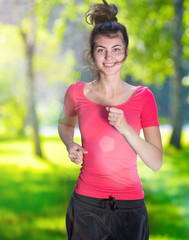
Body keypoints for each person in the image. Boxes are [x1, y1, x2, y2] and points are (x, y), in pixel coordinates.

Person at [58, 0, 163, 239]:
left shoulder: (143, 97)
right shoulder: (76, 92)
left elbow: (156, 162)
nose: (109, 57)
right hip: (86, 206)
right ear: (92, 52)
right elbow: (64, 123)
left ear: (126, 52)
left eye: (116, 49)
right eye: (101, 49)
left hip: (130, 208)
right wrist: (69, 143)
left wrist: (125, 128)